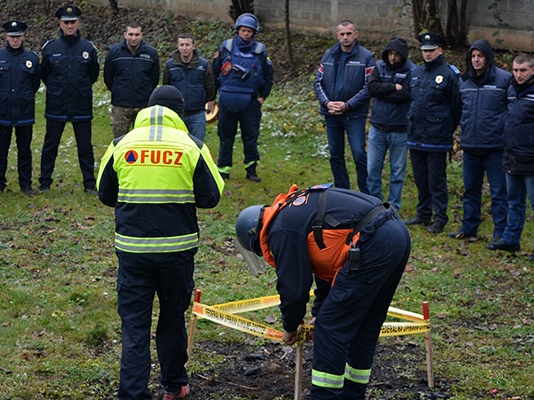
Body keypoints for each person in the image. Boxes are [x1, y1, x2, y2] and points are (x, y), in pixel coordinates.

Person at [97, 86, 225, 400]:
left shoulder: (120, 144)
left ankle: (133, 394)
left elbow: (104, 194)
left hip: (133, 252)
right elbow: (212, 196)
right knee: (171, 319)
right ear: (178, 113)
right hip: (176, 253)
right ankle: (174, 385)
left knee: (135, 327)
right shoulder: (192, 145)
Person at [235, 184, 410, 400]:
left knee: (330, 327)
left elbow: (294, 288)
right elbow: (328, 269)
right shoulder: (294, 211)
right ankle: (352, 395)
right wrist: (318, 312)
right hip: (395, 234)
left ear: (256, 235)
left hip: (372, 242)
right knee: (365, 324)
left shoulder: (280, 229)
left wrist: (290, 326)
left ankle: (325, 396)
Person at [490, 54, 534, 260]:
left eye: (523, 71)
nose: (519, 75)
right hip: (512, 156)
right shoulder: (511, 89)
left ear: (533, 71)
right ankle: (511, 239)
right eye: (516, 70)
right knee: (514, 202)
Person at [449, 39, 510, 245]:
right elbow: (459, 110)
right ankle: (469, 227)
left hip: (495, 147)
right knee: (470, 190)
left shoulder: (504, 80)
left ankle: (500, 231)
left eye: (480, 56)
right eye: (473, 56)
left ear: (488, 58)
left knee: (499, 192)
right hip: (470, 146)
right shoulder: (464, 81)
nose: (476, 60)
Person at [402, 33, 461, 234]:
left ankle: (440, 217)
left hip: (437, 135)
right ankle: (423, 213)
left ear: (440, 50)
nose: (427, 54)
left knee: (436, 179)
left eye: (431, 50)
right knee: (420, 178)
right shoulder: (416, 72)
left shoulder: (450, 74)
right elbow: (412, 100)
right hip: (416, 135)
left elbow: (456, 107)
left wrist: (445, 128)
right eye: (424, 51)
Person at [39, 5, 99, 193]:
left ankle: (89, 184)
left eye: (73, 22)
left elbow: (93, 74)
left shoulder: (88, 48)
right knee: (50, 145)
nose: (70, 26)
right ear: (60, 23)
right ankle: (45, 183)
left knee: (85, 147)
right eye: (66, 22)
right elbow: (44, 74)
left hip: (81, 105)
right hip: (57, 104)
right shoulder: (50, 48)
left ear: (78, 23)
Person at [314, 20, 375, 194]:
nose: (345, 37)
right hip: (331, 114)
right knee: (335, 155)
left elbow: (368, 87)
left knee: (358, 154)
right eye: (342, 34)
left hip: (354, 116)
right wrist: (327, 103)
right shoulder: (329, 55)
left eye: (349, 33)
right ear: (337, 36)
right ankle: (343, 192)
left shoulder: (366, 57)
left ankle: (365, 193)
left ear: (356, 34)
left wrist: (347, 106)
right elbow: (318, 82)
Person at [212, 12, 273, 182]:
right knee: (225, 137)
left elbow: (268, 77)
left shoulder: (260, 52)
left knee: (250, 137)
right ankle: (223, 170)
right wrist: (211, 98)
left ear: (254, 33)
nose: (246, 34)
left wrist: (261, 98)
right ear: (238, 30)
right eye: (243, 30)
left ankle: (251, 170)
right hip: (226, 101)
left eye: (249, 31)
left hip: (250, 103)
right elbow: (214, 73)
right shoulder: (226, 48)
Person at [0, 21, 40, 196]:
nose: (15, 40)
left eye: (18, 37)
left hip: (24, 111)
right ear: (6, 37)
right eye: (11, 37)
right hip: (2, 111)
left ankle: (26, 184)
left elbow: (35, 83)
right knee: (0, 151)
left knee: (25, 151)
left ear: (23, 37)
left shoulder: (32, 58)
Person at [365, 37, 415, 210]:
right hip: (377, 127)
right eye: (390, 54)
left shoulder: (411, 70)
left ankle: (393, 207)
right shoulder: (379, 67)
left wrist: (383, 90)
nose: (393, 58)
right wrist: (393, 87)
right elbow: (372, 89)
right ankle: (374, 205)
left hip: (400, 129)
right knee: (372, 170)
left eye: (396, 54)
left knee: (397, 172)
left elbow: (407, 95)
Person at [104, 21, 160, 138]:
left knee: (142, 140)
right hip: (121, 105)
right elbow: (108, 77)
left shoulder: (151, 53)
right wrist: (118, 91)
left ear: (142, 35)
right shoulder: (114, 53)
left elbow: (154, 78)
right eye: (130, 34)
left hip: (143, 105)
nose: (133, 38)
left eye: (137, 34)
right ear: (125, 35)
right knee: (119, 141)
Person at [163, 33, 216, 141]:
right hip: (176, 114)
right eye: (181, 45)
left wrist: (211, 100)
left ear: (193, 46)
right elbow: (166, 87)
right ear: (178, 46)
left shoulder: (203, 65)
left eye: (187, 45)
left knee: (197, 146)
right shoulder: (170, 65)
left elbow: (209, 84)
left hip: (197, 112)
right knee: (177, 145)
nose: (184, 48)